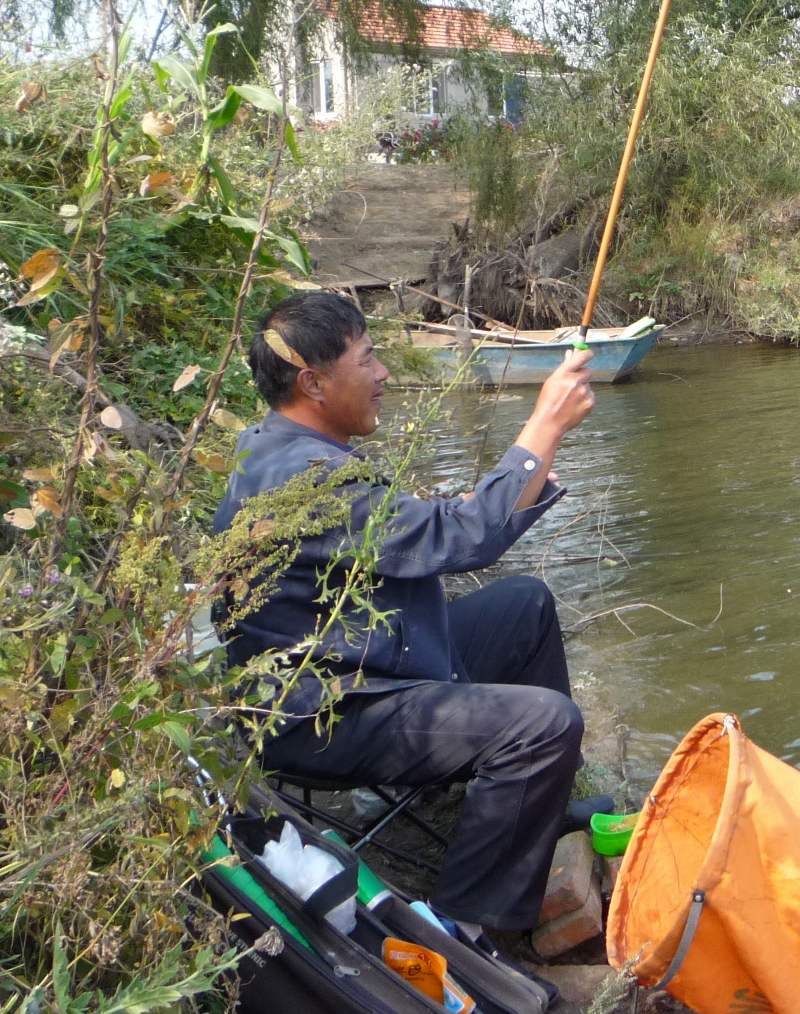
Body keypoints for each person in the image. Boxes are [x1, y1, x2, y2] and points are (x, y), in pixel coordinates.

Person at [211, 290, 597, 944]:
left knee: (523, 605)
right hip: (329, 710)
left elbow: (437, 529)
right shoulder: (306, 477)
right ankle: (466, 925)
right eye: (367, 359)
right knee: (545, 723)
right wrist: (546, 424)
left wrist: (487, 496)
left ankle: (536, 812)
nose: (384, 373)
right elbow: (469, 535)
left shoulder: (279, 447)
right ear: (314, 381)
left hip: (362, 659)